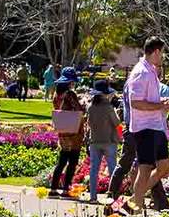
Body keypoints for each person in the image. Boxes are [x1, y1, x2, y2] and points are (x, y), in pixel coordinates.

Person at [124, 40, 169, 215]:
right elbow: (135, 102)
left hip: (156, 126)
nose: (164, 57)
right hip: (145, 128)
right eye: (163, 53)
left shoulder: (151, 71)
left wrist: (161, 104)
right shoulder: (141, 72)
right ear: (156, 52)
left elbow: (148, 101)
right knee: (145, 169)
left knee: (164, 167)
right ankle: (136, 210)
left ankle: (133, 200)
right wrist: (159, 106)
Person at [47, 69, 84, 198]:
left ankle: (53, 188)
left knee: (61, 161)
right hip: (74, 133)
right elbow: (78, 109)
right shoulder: (70, 95)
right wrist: (84, 104)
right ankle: (66, 188)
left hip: (63, 132)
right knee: (72, 162)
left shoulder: (57, 95)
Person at [84, 80, 120, 203]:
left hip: (94, 141)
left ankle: (93, 196)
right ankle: (113, 196)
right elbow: (116, 122)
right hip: (108, 140)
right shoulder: (108, 107)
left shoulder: (91, 107)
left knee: (94, 169)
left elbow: (89, 123)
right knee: (112, 169)